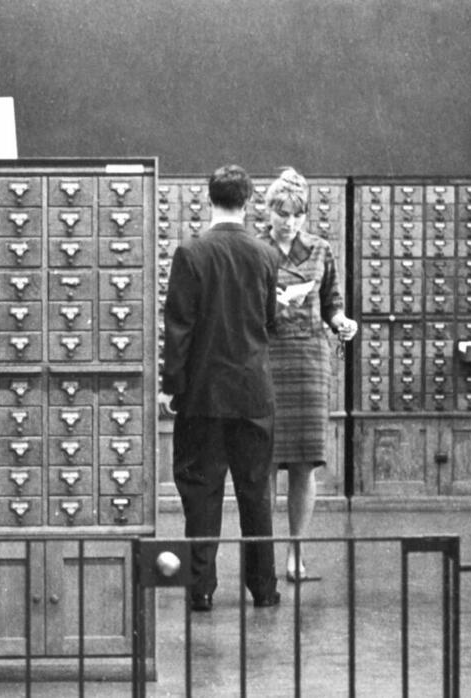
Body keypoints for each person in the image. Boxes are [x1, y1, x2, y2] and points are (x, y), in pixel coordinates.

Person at [161, 164, 282, 610]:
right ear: (248, 201)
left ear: (207, 199)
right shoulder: (265, 255)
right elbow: (269, 321)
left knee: (201, 493)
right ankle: (263, 588)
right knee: (256, 494)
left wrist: (172, 387)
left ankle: (201, 588)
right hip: (253, 392)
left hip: (203, 395)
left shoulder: (191, 254)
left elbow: (179, 330)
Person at [259, 168, 358, 583]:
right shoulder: (254, 249)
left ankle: (295, 555)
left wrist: (342, 322)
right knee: (262, 463)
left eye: (297, 215)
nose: (290, 222)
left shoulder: (319, 249)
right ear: (269, 211)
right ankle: (261, 557)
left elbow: (332, 301)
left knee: (304, 464)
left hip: (308, 360)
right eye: (283, 214)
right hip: (267, 356)